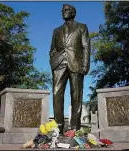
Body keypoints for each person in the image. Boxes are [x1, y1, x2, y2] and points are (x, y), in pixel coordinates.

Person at [49, 4, 90, 134]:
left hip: (76, 63)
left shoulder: (82, 27)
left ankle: (74, 128)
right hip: (59, 64)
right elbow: (52, 49)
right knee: (56, 93)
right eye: (62, 10)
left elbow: (86, 47)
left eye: (66, 10)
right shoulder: (56, 30)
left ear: (73, 12)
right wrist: (53, 59)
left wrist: (85, 65)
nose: (63, 12)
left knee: (76, 95)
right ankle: (58, 126)